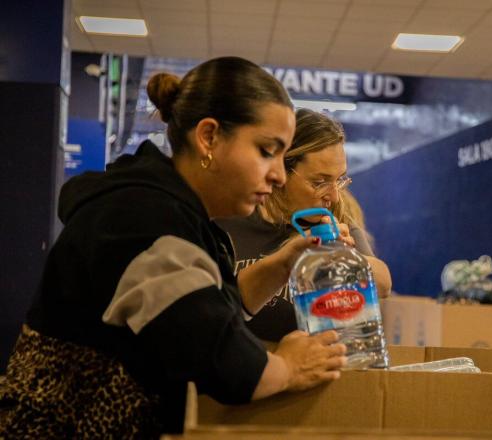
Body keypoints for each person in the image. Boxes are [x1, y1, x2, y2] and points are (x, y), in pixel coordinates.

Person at [0, 57, 347, 438]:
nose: (278, 175)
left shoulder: (176, 216)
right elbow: (221, 361)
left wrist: (283, 263)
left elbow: (212, 307)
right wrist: (288, 368)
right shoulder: (142, 221)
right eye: (267, 151)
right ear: (209, 137)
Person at [218, 108, 392, 344]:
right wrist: (291, 253)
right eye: (319, 182)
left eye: (339, 179)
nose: (334, 197)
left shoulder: (334, 223)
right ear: (280, 172)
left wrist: (340, 256)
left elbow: (383, 283)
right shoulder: (230, 220)